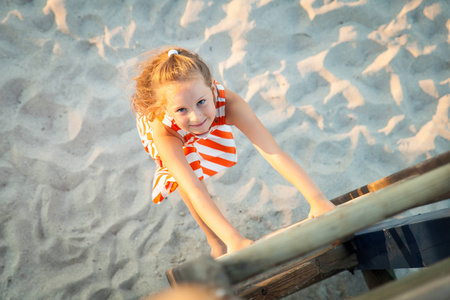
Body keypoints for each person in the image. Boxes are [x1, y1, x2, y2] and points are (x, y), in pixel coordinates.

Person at [131, 46, 335, 258]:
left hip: (197, 106)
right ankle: (215, 242)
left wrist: (317, 199)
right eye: (182, 109)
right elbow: (194, 190)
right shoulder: (163, 131)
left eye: (201, 102)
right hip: (172, 131)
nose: (196, 117)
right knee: (188, 178)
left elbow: (274, 152)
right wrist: (233, 240)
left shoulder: (229, 103)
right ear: (167, 109)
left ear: (211, 89)